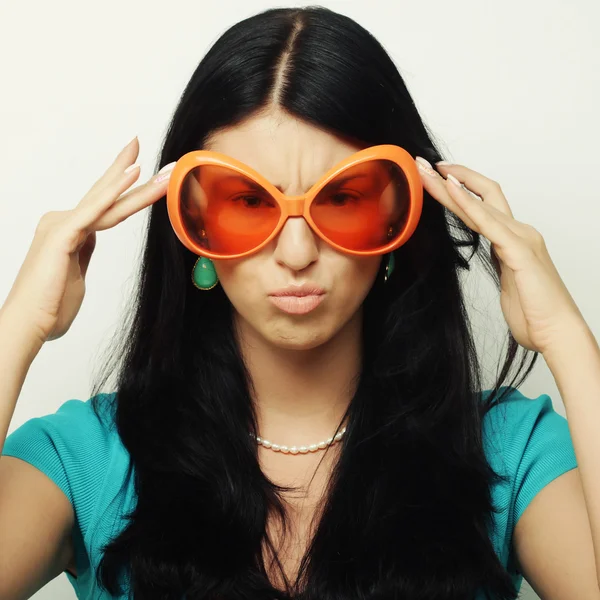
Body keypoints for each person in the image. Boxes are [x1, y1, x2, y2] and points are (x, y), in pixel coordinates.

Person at [1, 5, 599, 600]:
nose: (296, 251)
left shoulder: (509, 449)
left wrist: (568, 339)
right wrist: (19, 325)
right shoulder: (88, 457)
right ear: (193, 224)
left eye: (342, 197)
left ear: (400, 216)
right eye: (248, 200)